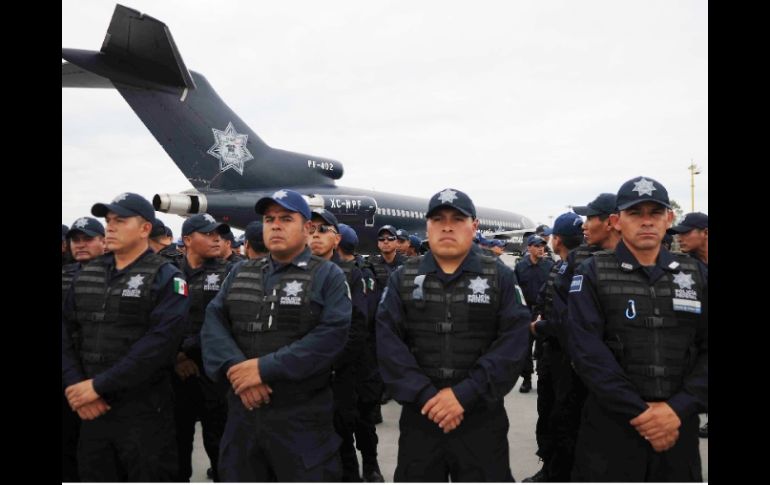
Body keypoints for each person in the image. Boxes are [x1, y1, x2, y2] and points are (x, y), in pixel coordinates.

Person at [376, 188, 531, 481]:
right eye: (438, 219)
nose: (447, 225)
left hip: (481, 418)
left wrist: (464, 394)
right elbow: (388, 343)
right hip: (422, 418)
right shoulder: (403, 278)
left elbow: (514, 342)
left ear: (474, 225)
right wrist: (425, 395)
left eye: (457, 219)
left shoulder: (500, 276)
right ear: (428, 226)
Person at [201, 188, 352, 481]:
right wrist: (237, 371)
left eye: (286, 218)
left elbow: (331, 335)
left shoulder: (328, 276)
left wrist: (262, 369)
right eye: (269, 219)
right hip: (242, 412)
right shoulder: (240, 272)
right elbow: (214, 322)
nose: (276, 225)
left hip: (300, 418)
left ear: (307, 227)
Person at [567, 176, 708, 481]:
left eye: (655, 213)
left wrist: (676, 409)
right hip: (612, 429)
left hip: (677, 426)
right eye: (635, 213)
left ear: (669, 218)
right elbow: (586, 351)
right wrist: (641, 414)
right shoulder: (592, 272)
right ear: (617, 221)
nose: (646, 222)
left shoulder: (696, 274)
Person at [61, 192, 189, 481]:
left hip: (143, 413)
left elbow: (159, 345)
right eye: (108, 221)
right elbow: (65, 333)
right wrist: (77, 386)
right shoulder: (87, 275)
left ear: (145, 228)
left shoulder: (166, 277)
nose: (111, 227)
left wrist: (98, 386)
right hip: (90, 410)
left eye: (120, 220)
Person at [522, 212, 584, 482]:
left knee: (562, 418)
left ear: (557, 239)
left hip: (566, 358)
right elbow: (542, 302)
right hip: (549, 353)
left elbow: (569, 318)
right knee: (548, 414)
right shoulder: (558, 267)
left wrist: (540, 327)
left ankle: (558, 473)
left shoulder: (579, 268)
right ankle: (549, 467)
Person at [172, 213, 233, 482]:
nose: (216, 238)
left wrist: (190, 350)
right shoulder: (168, 273)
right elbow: (155, 320)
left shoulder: (230, 272)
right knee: (176, 441)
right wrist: (177, 356)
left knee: (219, 441)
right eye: (208, 233)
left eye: (218, 233)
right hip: (174, 372)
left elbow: (227, 323)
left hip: (214, 372)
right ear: (187, 239)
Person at [338, 223, 385, 482]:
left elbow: (363, 319)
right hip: (340, 365)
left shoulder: (361, 273)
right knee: (341, 423)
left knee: (364, 421)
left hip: (362, 360)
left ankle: (370, 466)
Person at [61, 216, 107, 482]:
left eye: (87, 239)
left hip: (101, 377)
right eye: (75, 240)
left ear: (103, 241)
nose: (80, 245)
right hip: (69, 375)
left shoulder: (117, 276)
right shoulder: (64, 277)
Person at [667, 212, 708, 438]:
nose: (680, 238)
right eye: (678, 233)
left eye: (686, 232)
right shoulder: (683, 269)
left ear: (706, 233)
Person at [514, 235, 555, 393]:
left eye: (542, 246)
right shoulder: (521, 266)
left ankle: (542, 378)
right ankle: (526, 379)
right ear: (529, 247)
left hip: (544, 312)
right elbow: (515, 290)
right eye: (537, 245)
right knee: (525, 347)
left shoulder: (550, 266)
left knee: (543, 347)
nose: (540, 248)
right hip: (525, 311)